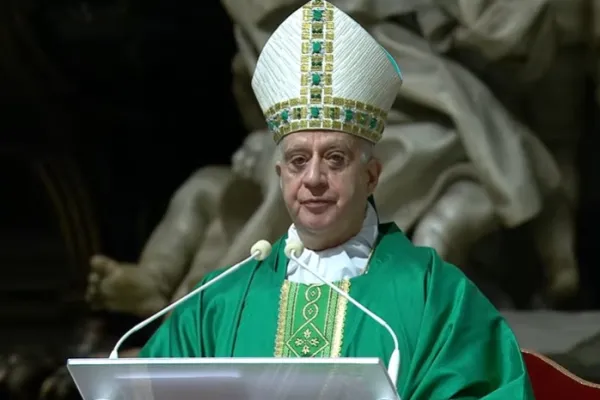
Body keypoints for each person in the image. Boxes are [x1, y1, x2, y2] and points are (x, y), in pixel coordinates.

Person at [139, 1, 534, 398]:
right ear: (280, 175)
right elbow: (142, 389)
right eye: (298, 161)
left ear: (371, 176)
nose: (313, 178)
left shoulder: (436, 297)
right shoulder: (216, 302)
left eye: (335, 158)